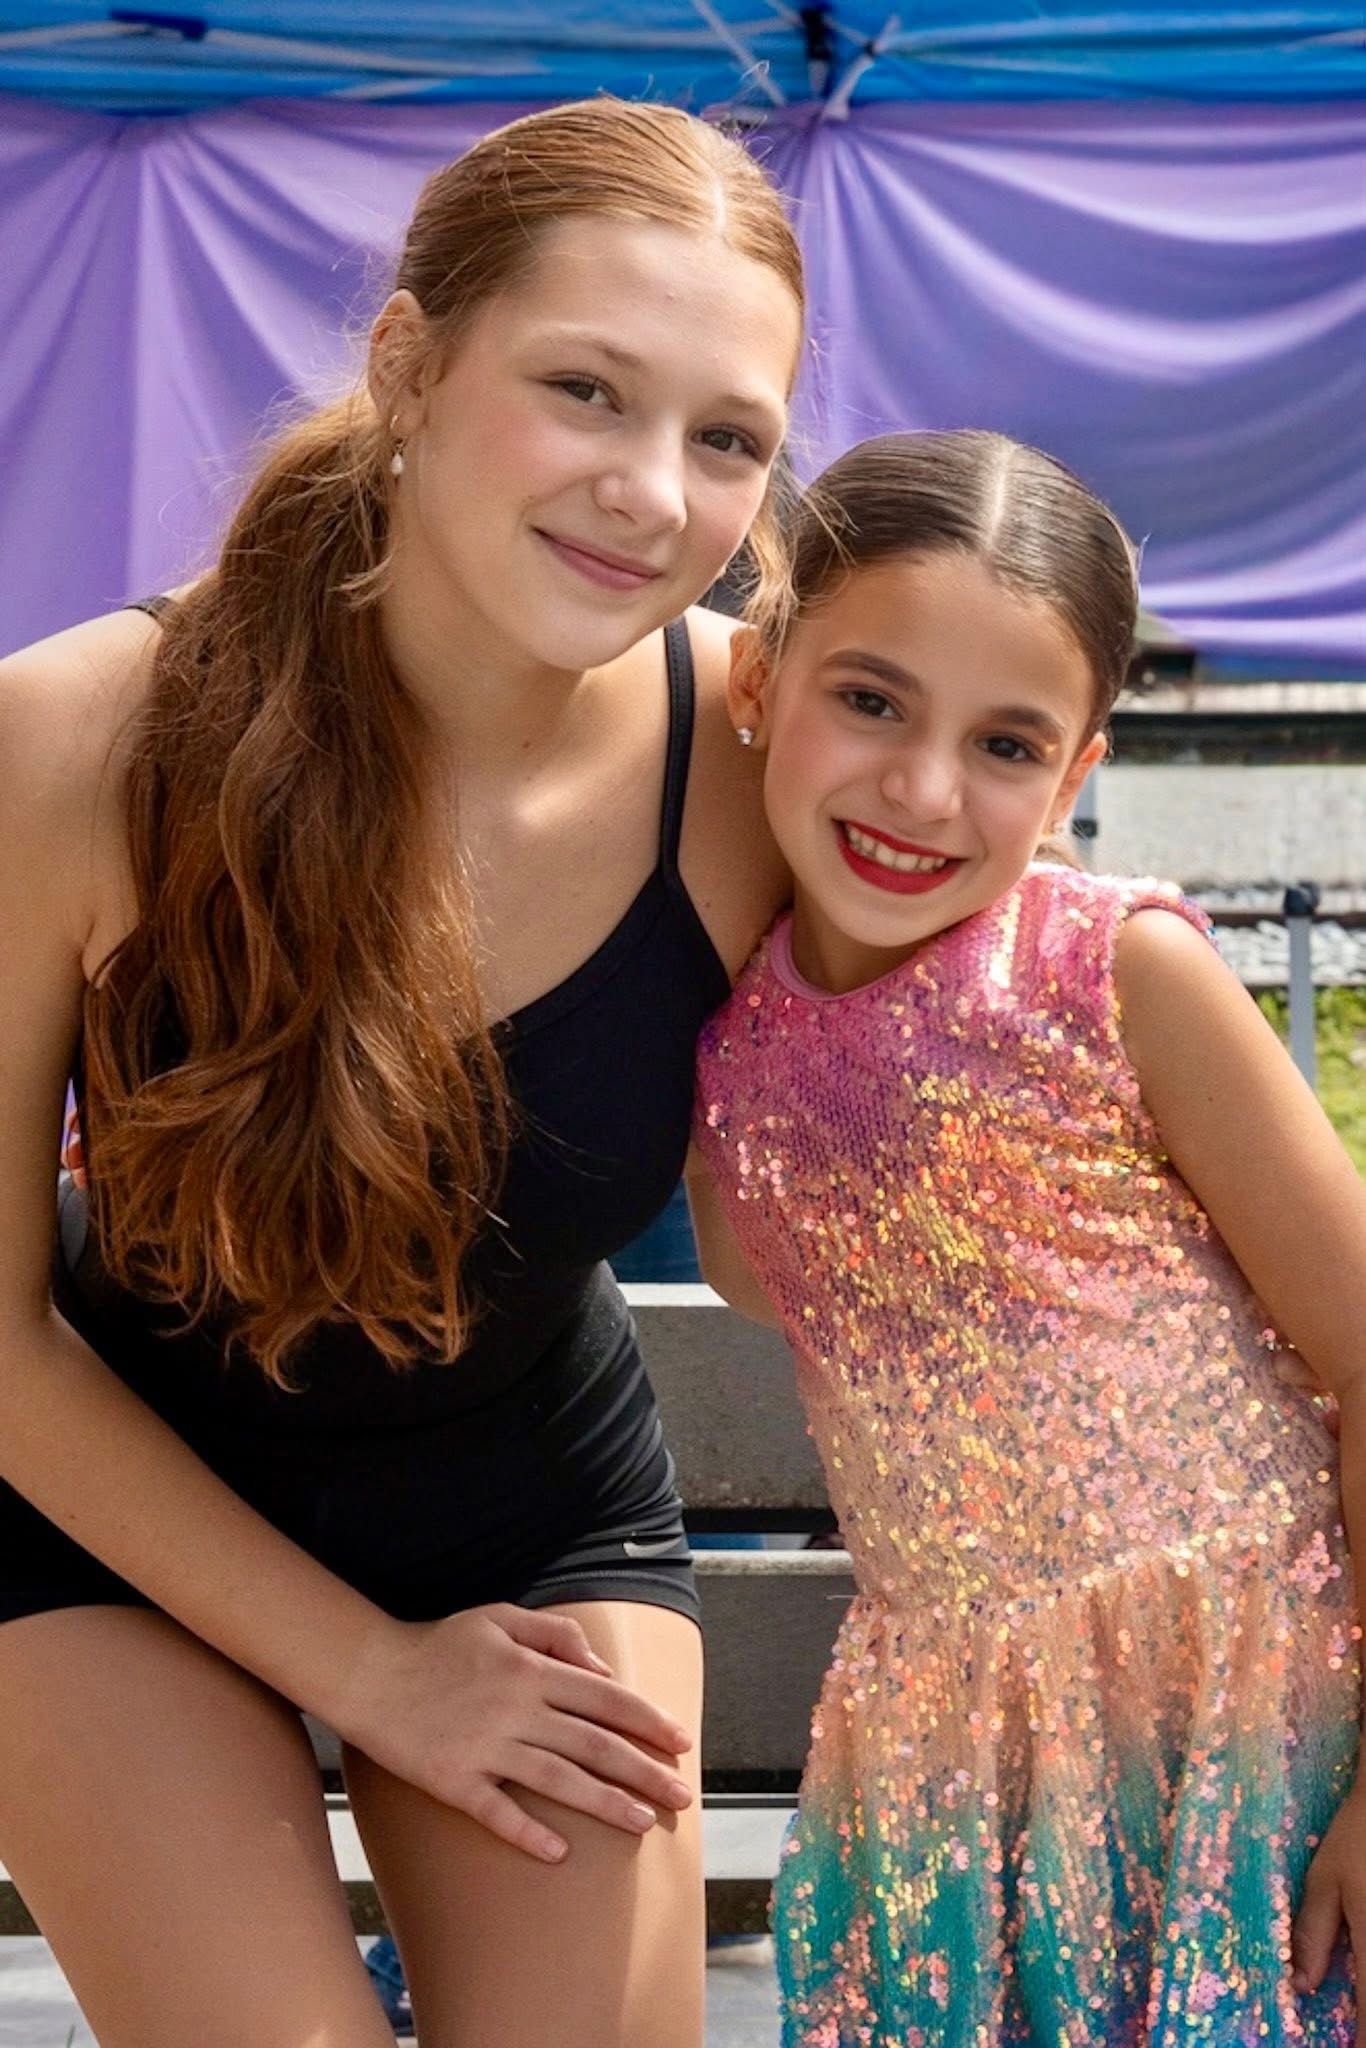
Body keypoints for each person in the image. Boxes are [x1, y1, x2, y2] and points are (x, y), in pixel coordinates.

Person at [0, 98, 803, 2048]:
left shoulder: (756, 753)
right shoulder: (78, 740)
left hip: (525, 1511)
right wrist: (377, 1675)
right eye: (584, 391)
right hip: (106, 1500)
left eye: (724, 439)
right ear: (409, 365)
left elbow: (1032, 1063)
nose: (646, 490)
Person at [688, 429, 1366, 2043]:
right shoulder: (715, 1038)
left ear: (1075, 775)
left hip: (1253, 1722)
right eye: (870, 700)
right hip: (949, 1764)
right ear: (757, 684)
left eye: (1007, 744)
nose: (923, 791)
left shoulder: (1116, 973)